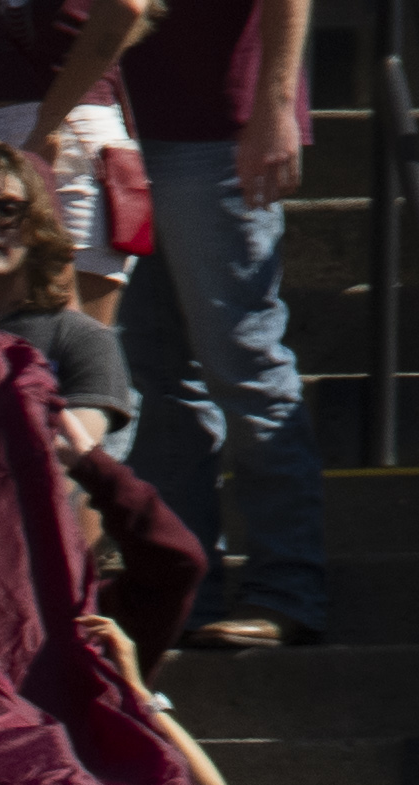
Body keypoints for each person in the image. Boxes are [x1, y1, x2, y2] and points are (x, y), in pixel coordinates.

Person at [116, 0, 315, 650]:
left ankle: (285, 591)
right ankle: (187, 592)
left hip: (220, 132)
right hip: (116, 130)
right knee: (154, 377)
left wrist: (274, 104)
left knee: (244, 366)